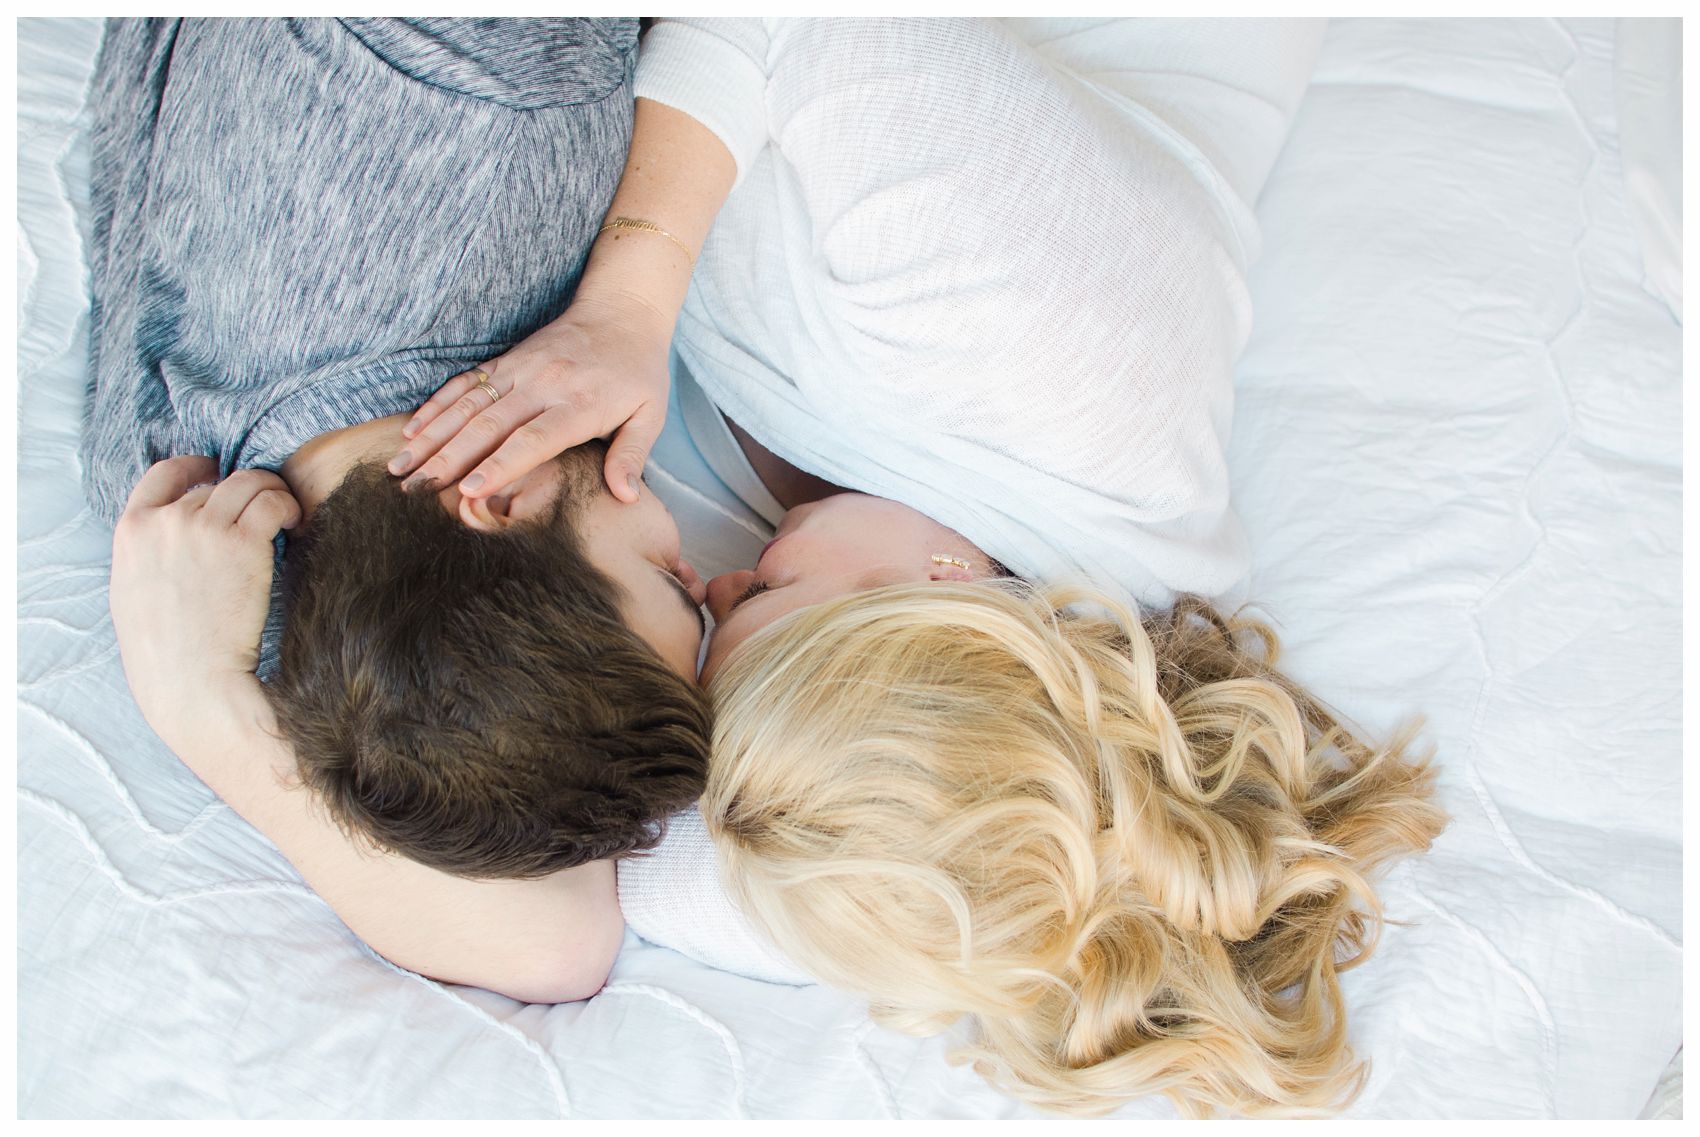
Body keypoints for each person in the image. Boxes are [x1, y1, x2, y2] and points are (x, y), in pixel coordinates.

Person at [113, 16, 1447, 1116]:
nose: (715, 585)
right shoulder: (1074, 371)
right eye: (764, 595)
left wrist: (218, 722)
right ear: (942, 580)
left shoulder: (873, 783)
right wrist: (630, 303)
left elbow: (562, 936)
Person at [90, 17, 720, 1000]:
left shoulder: (486, 89)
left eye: (667, 583)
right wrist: (199, 705)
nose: (703, 568)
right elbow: (553, 949)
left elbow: (555, 950)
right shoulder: (224, 554)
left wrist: (641, 287)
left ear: (499, 497)